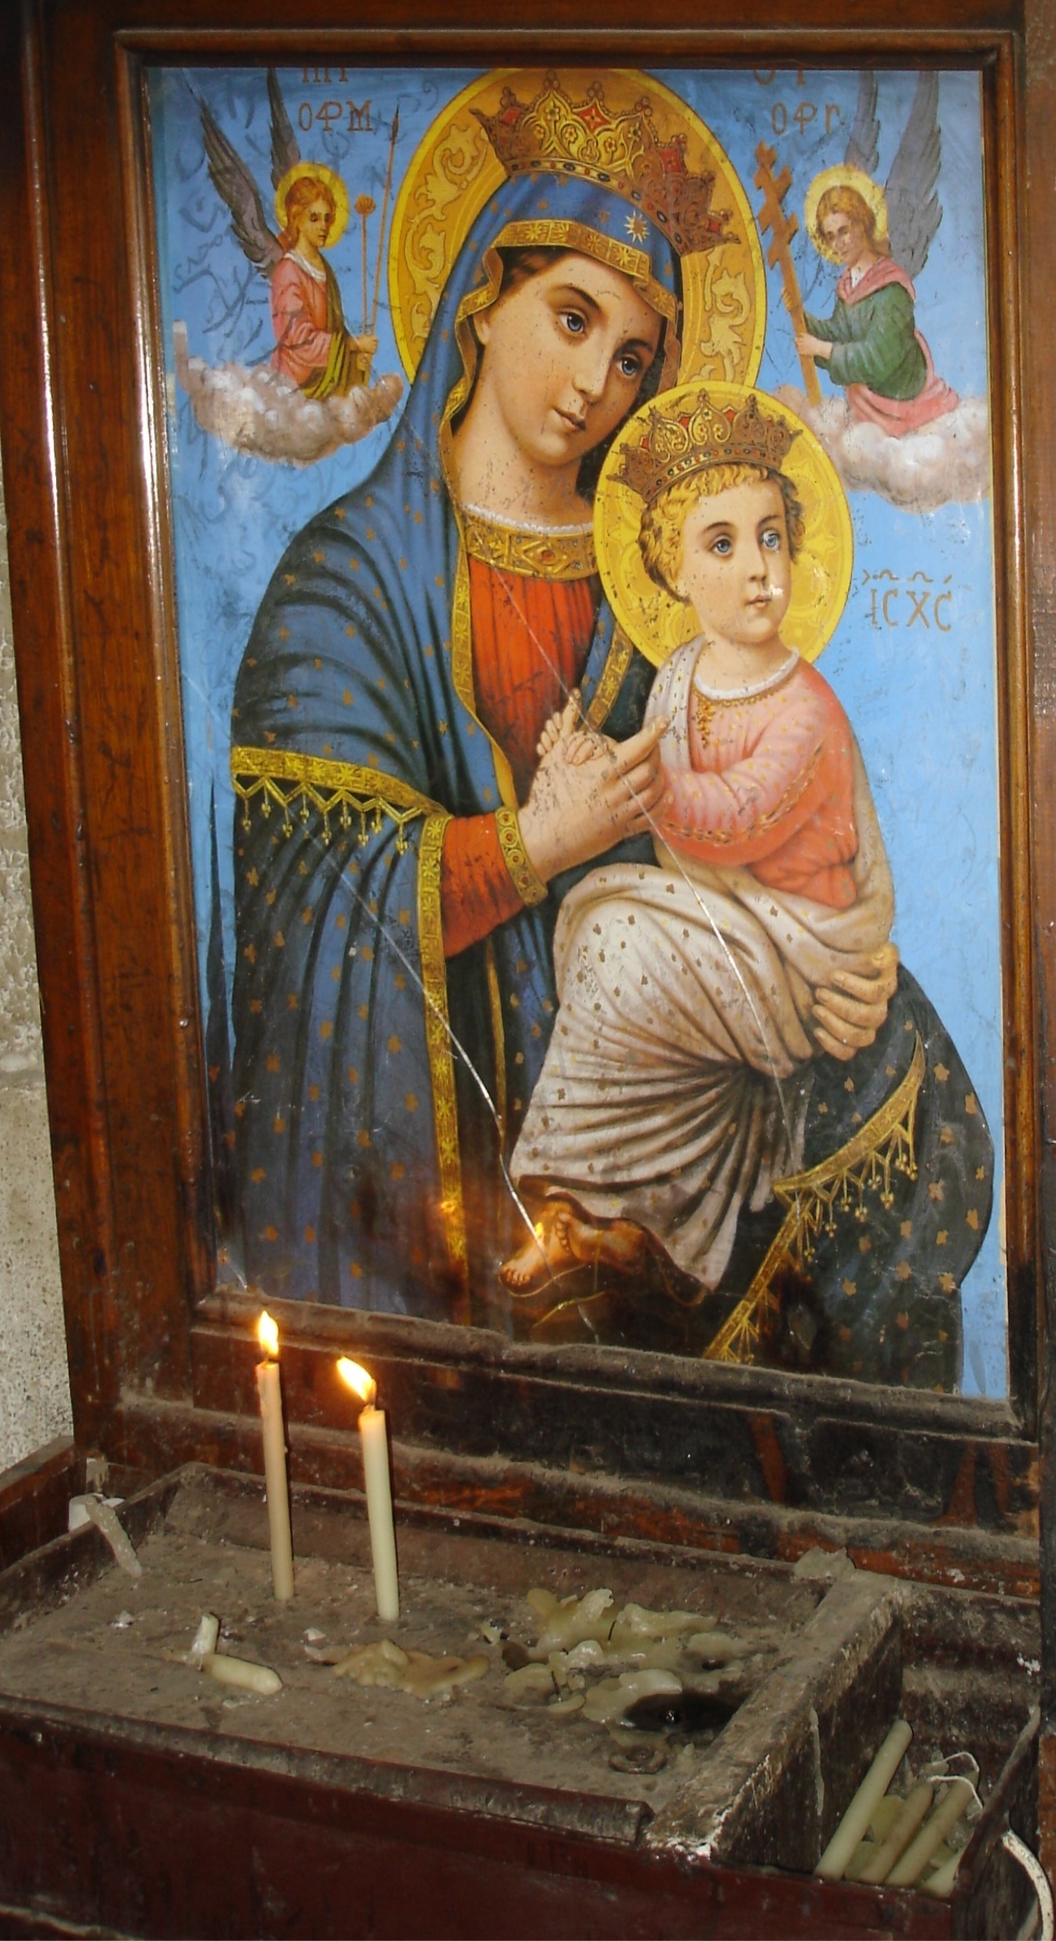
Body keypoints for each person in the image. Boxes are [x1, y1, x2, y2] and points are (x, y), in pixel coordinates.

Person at [229, 75, 900, 1327]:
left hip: (663, 1076)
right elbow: (308, 906)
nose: (596, 380)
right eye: (573, 317)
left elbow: (760, 816)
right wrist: (532, 845)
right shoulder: (341, 583)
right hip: (437, 1136)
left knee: (909, 1072)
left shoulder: (664, 586)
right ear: (482, 300)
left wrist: (842, 963)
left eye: (633, 355)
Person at [503, 388, 897, 1303]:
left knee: (614, 943)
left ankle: (580, 1198)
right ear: (673, 573)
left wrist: (629, 782)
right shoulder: (679, 674)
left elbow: (735, 815)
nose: (759, 569)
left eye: (771, 538)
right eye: (722, 544)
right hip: (726, 933)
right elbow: (666, 797)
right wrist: (583, 762)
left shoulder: (805, 709)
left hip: (797, 957)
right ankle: (603, 1214)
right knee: (609, 949)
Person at [794, 175, 959, 438]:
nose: (838, 244)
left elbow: (877, 359)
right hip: (869, 408)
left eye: (844, 231)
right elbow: (840, 334)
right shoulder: (849, 286)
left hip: (906, 404)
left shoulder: (891, 290)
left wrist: (822, 349)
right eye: (831, 237)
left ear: (863, 224)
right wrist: (799, 317)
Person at [268, 168, 377, 399]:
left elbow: (335, 329)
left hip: (326, 381)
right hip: (295, 387)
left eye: (328, 218)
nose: (324, 226)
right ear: (296, 219)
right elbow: (299, 341)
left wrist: (353, 361)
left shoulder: (324, 268)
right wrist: (353, 345)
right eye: (314, 218)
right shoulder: (288, 271)